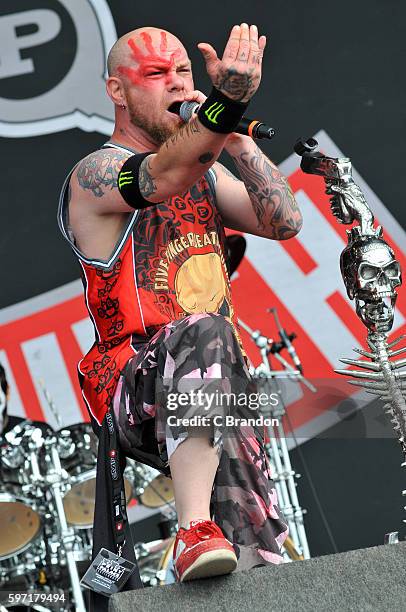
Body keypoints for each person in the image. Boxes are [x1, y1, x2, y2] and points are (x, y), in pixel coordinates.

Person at [58, 22, 302, 594]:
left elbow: (284, 223)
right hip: (133, 384)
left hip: (213, 386)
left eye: (183, 73)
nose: (176, 83)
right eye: (155, 74)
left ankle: (236, 560)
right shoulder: (94, 175)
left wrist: (237, 141)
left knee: (258, 568)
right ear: (118, 91)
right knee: (203, 331)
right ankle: (193, 527)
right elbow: (163, 174)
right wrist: (226, 103)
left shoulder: (210, 172)